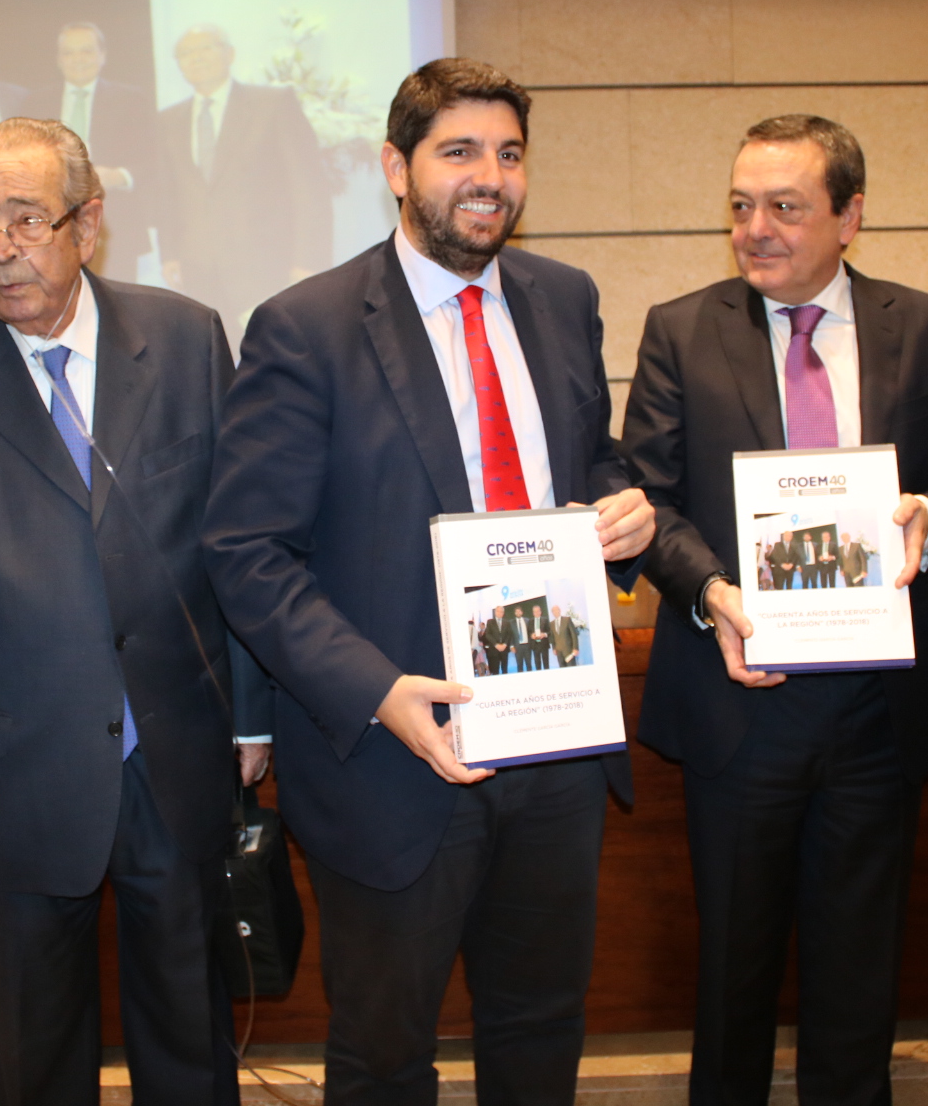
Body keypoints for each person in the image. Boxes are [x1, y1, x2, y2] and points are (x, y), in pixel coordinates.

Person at [203, 57, 654, 1103]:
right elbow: (247, 549)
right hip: (395, 757)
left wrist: (622, 509)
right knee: (385, 1055)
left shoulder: (562, 297)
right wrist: (376, 690)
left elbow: (589, 462)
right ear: (396, 168)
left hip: (555, 743)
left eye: (507, 153)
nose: (487, 175)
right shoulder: (305, 326)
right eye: (458, 152)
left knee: (540, 1029)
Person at [0, 115, 271, 1105]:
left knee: (189, 1039)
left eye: (25, 219)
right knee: (34, 1050)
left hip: (175, 750)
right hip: (12, 767)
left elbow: (237, 539)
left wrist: (251, 714)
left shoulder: (183, 336)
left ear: (88, 223)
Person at [621, 113, 928, 1105]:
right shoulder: (681, 328)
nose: (755, 229)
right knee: (732, 978)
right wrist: (712, 592)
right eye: (741, 206)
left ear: (850, 215)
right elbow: (650, 498)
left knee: (860, 981)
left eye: (785, 206)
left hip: (878, 710)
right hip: (740, 705)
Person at [155, 24, 331, 337]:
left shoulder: (272, 104)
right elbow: (168, 193)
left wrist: (307, 261)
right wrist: (169, 253)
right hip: (198, 270)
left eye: (206, 48)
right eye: (186, 53)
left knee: (276, 359)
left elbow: (308, 188)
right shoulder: (168, 120)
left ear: (229, 54)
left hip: (266, 265)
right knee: (213, 363)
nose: (196, 58)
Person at [38, 22, 160, 283]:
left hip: (117, 226)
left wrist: (120, 176)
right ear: (59, 60)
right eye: (69, 53)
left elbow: (152, 158)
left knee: (118, 307)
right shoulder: (36, 102)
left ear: (102, 56)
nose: (78, 59)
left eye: (86, 51)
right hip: (52, 228)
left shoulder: (131, 99)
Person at [482, 605, 513, 674]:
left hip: (504, 650)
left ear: (503, 613)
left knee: (505, 670)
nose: (500, 613)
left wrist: (505, 644)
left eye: (502, 612)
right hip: (494, 650)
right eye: (498, 611)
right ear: (495, 612)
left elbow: (509, 634)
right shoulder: (490, 622)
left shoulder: (507, 622)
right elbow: (488, 634)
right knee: (495, 670)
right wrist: (496, 645)